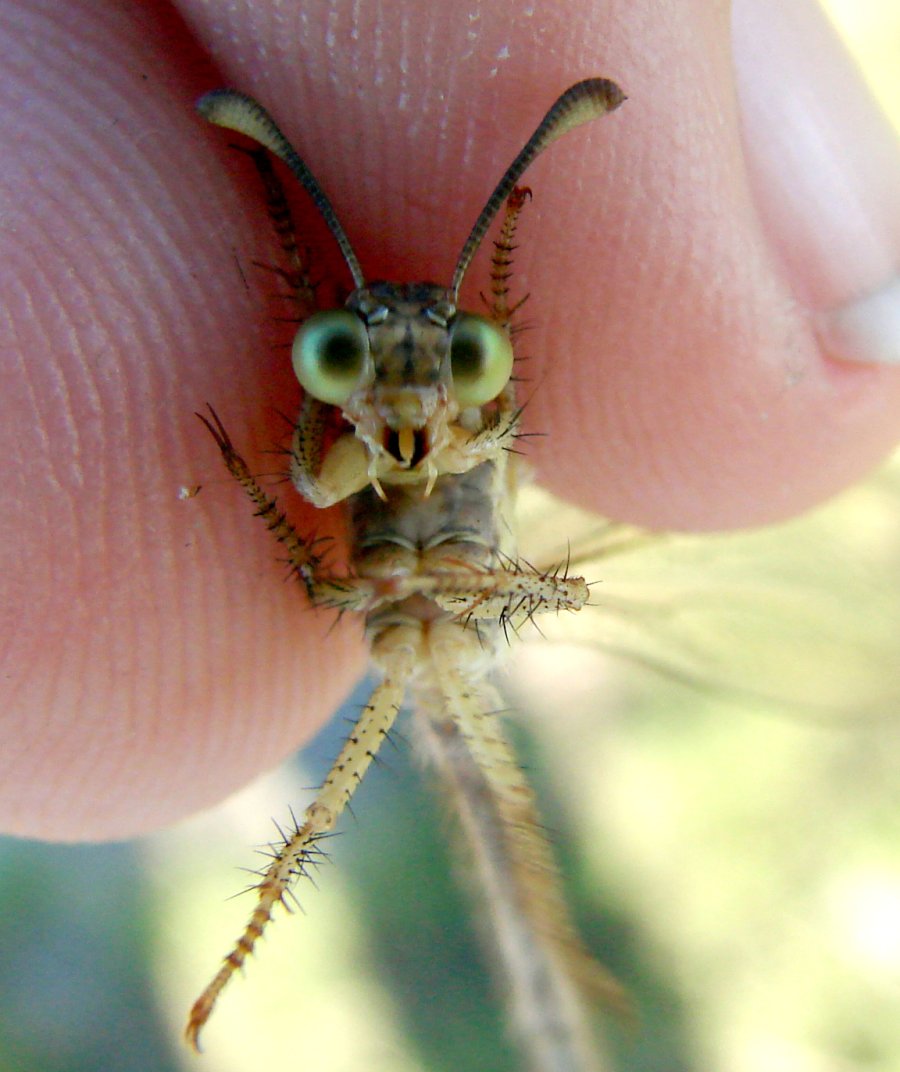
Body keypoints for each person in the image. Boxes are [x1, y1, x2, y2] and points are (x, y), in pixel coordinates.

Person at [2, 0, 897, 839]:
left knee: (488, 812)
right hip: (424, 601)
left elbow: (348, 501)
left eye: (461, 364)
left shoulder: (458, 441)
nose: (403, 410)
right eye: (343, 362)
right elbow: (326, 488)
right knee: (471, 807)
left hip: (421, 598)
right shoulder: (426, 447)